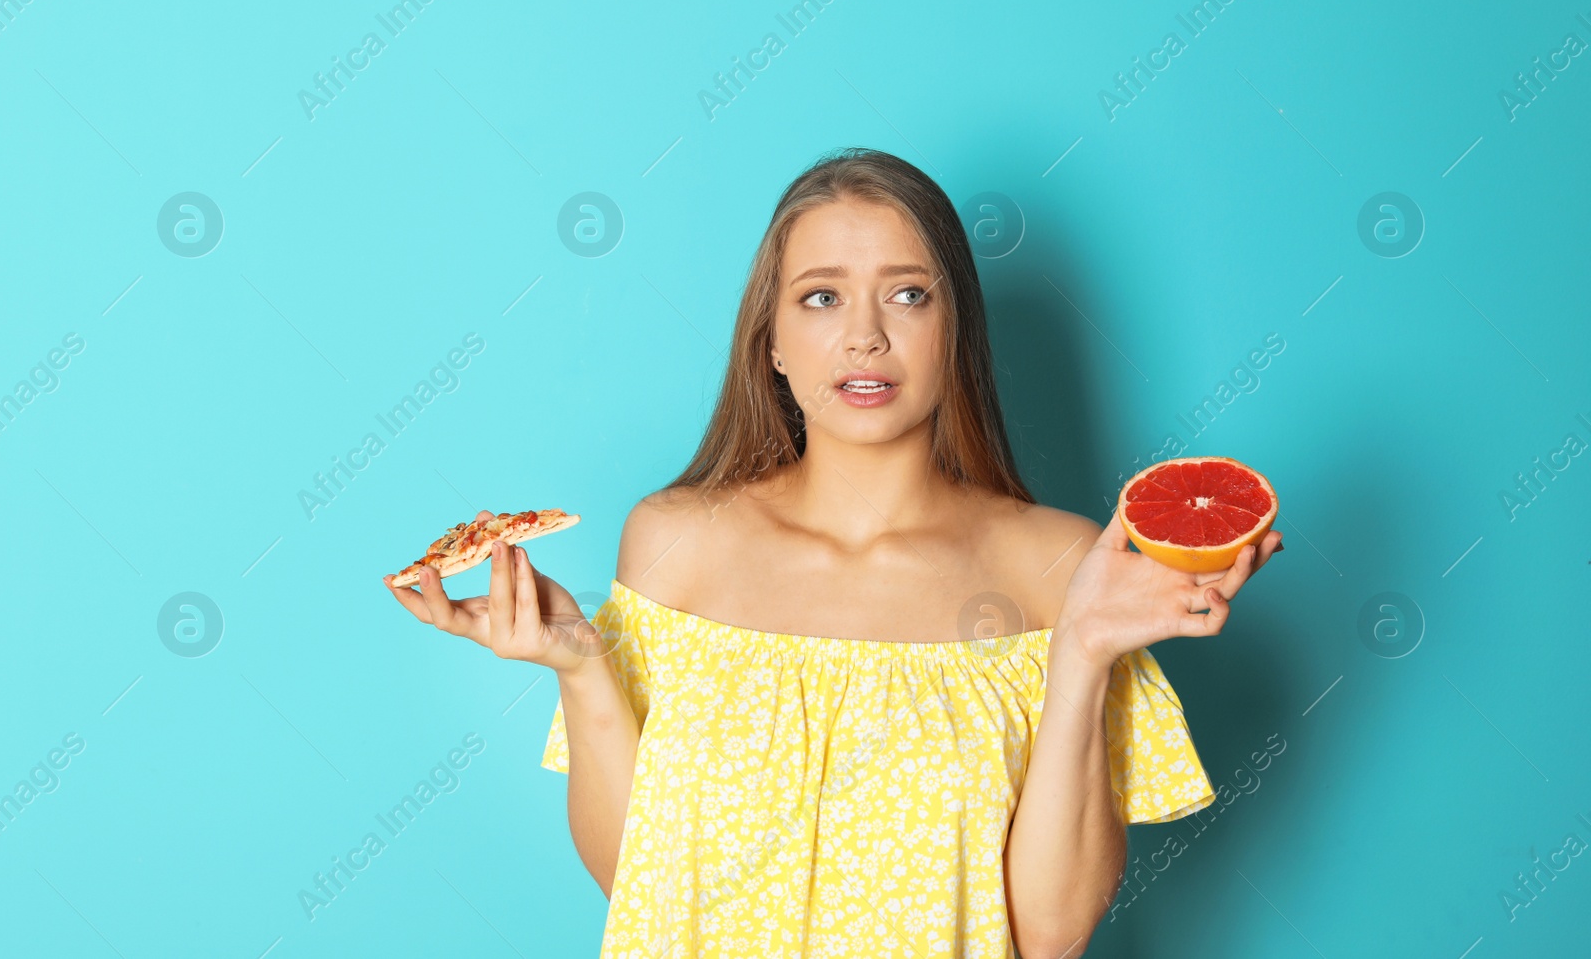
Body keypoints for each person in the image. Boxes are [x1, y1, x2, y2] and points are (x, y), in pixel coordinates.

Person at [384, 147, 1281, 957]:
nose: (865, 336)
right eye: (821, 296)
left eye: (908, 293)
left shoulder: (1053, 566)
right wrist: (580, 668)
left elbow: (1047, 934)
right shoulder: (676, 543)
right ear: (770, 340)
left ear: (954, 328)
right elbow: (646, 888)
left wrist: (1085, 651)